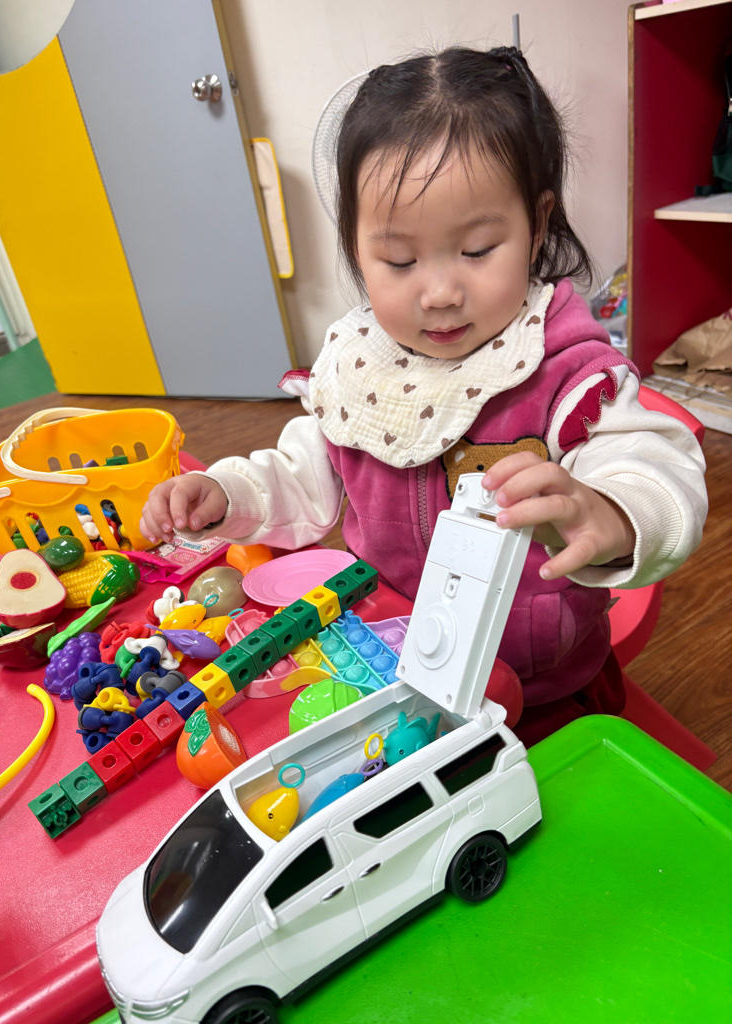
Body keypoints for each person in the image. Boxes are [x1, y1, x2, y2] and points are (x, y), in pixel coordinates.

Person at [140, 47, 706, 741]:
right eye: (399, 260)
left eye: (477, 251)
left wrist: (610, 510)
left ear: (536, 225)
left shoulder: (563, 368)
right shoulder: (359, 366)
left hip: (542, 688)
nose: (439, 292)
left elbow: (657, 466)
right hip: (394, 667)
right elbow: (301, 480)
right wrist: (227, 494)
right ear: (356, 248)